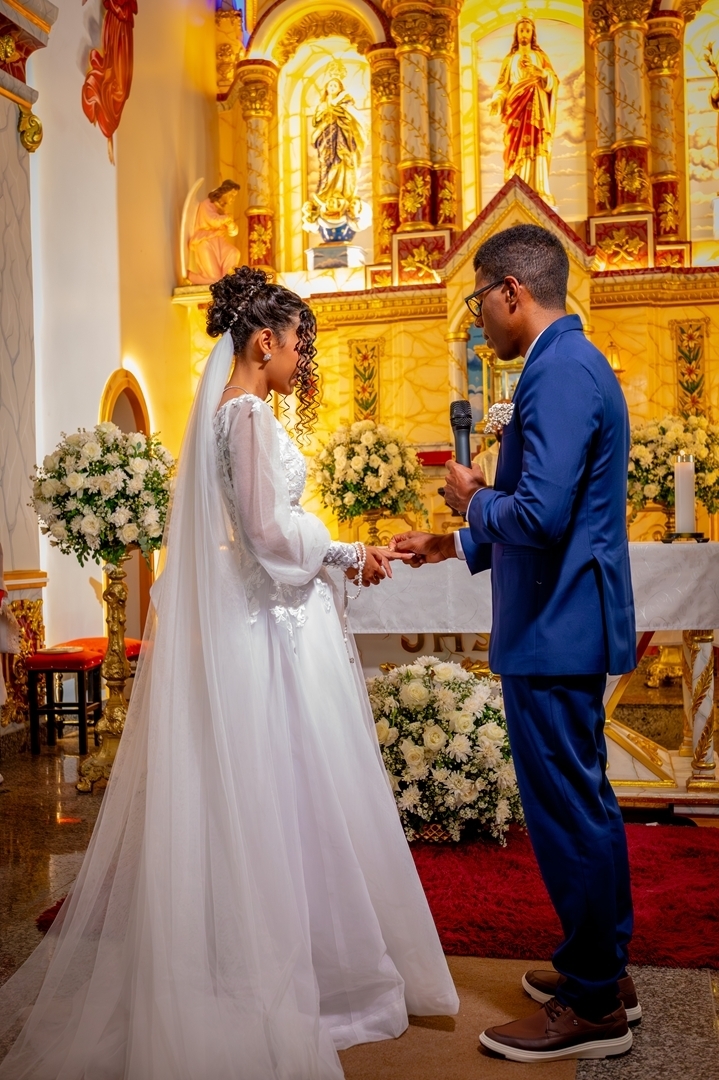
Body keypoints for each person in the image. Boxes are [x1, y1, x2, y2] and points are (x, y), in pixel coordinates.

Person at [0, 267, 458, 1079]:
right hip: (270, 629)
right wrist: (347, 551)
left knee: (267, 794)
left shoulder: (227, 414)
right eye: (297, 347)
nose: (301, 363)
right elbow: (267, 536)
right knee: (285, 791)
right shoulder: (244, 414)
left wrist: (332, 553)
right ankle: (289, 974)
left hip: (265, 621)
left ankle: (274, 959)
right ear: (263, 342)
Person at [391, 224, 638, 1063]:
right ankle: (600, 970)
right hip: (558, 613)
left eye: (477, 303)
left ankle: (594, 1000)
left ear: (509, 292)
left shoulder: (560, 371)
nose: (476, 323)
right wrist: (452, 542)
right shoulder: (564, 362)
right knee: (582, 800)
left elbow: (539, 514)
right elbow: (534, 512)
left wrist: (469, 500)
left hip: (555, 622)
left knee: (568, 810)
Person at [489, 17, 558, 204]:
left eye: (528, 30)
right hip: (516, 108)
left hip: (537, 108)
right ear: (516, 34)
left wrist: (540, 72)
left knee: (538, 143)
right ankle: (517, 185)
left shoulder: (541, 58)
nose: (524, 34)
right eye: (521, 30)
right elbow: (502, 86)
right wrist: (497, 99)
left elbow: (552, 81)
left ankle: (539, 188)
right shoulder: (510, 60)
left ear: (533, 34)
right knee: (515, 146)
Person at [187, 179, 242, 285]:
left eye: (235, 196)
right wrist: (227, 219)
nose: (233, 199)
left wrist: (231, 225)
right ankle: (189, 275)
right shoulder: (206, 204)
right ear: (224, 192)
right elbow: (212, 220)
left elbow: (233, 232)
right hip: (205, 242)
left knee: (234, 253)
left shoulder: (223, 211)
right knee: (215, 279)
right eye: (231, 195)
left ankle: (227, 281)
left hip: (219, 243)